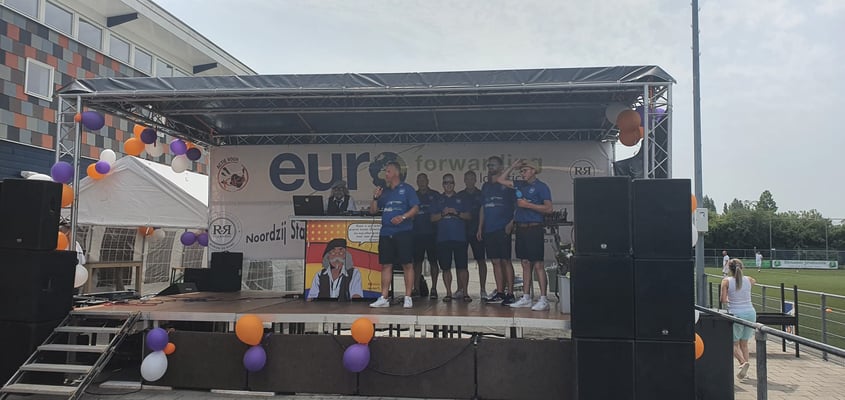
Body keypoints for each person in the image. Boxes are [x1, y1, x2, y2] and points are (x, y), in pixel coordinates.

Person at [497, 159, 553, 311]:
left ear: (533, 171)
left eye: (525, 170)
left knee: (538, 264)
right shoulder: (519, 184)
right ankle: (526, 297)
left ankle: (543, 298)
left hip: (534, 228)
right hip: (521, 228)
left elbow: (549, 208)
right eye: (521, 171)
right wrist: (512, 166)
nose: (522, 173)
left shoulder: (541, 187)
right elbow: (500, 180)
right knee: (525, 263)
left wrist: (528, 205)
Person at [370, 161, 420, 308]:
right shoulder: (384, 191)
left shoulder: (407, 189)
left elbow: (415, 208)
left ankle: (408, 297)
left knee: (407, 264)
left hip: (403, 232)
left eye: (388, 171)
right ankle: (384, 297)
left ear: (396, 173)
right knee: (386, 264)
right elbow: (373, 211)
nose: (385, 174)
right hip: (386, 232)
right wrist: (375, 198)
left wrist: (403, 217)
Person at [478, 156, 516, 305]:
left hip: (503, 228)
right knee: (495, 261)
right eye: (489, 165)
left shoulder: (508, 186)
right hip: (489, 229)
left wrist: (511, 223)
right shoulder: (486, 186)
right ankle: (500, 292)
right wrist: (480, 227)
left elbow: (518, 205)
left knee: (505, 260)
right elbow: (483, 207)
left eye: (493, 165)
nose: (490, 167)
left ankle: (510, 293)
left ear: (501, 168)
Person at [432, 174, 472, 302]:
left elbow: (469, 216)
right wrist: (443, 214)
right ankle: (448, 293)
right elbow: (432, 218)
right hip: (443, 238)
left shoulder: (461, 198)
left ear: (454, 184)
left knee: (462, 267)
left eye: (450, 182)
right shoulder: (438, 199)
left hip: (459, 238)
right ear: (442, 184)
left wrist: (457, 213)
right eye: (446, 182)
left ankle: (465, 293)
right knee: (446, 268)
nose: (448, 185)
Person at [720, 258, 757, 380]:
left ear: (729, 269)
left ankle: (742, 362)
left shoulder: (726, 281)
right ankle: (745, 372)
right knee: (744, 344)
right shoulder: (749, 280)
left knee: (733, 343)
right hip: (750, 313)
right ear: (742, 267)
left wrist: (732, 300)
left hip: (736, 313)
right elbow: (753, 282)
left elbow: (723, 299)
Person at [458, 170, 488, 299]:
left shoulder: (481, 194)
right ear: (464, 180)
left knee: (481, 260)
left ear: (475, 180)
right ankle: (460, 289)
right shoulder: (460, 195)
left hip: (478, 232)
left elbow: (484, 212)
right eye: (467, 179)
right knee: (461, 262)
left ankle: (483, 289)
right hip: (462, 232)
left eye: (472, 179)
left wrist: (480, 228)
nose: (469, 181)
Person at [412, 173, 440, 299]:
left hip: (432, 234)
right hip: (417, 234)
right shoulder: (413, 195)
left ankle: (434, 288)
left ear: (427, 181)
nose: (421, 182)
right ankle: (416, 289)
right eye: (419, 180)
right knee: (417, 263)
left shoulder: (435, 195)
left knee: (433, 262)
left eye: (423, 180)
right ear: (417, 182)